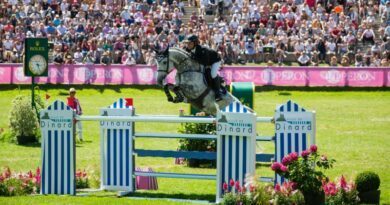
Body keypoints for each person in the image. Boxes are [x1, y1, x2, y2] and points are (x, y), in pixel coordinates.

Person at [183, 34, 223, 101]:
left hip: (214, 61)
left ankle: (218, 94)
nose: (188, 45)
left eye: (190, 43)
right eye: (187, 43)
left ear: (195, 43)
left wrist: (193, 57)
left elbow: (205, 63)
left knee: (212, 74)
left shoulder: (202, 50)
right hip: (205, 61)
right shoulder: (187, 49)